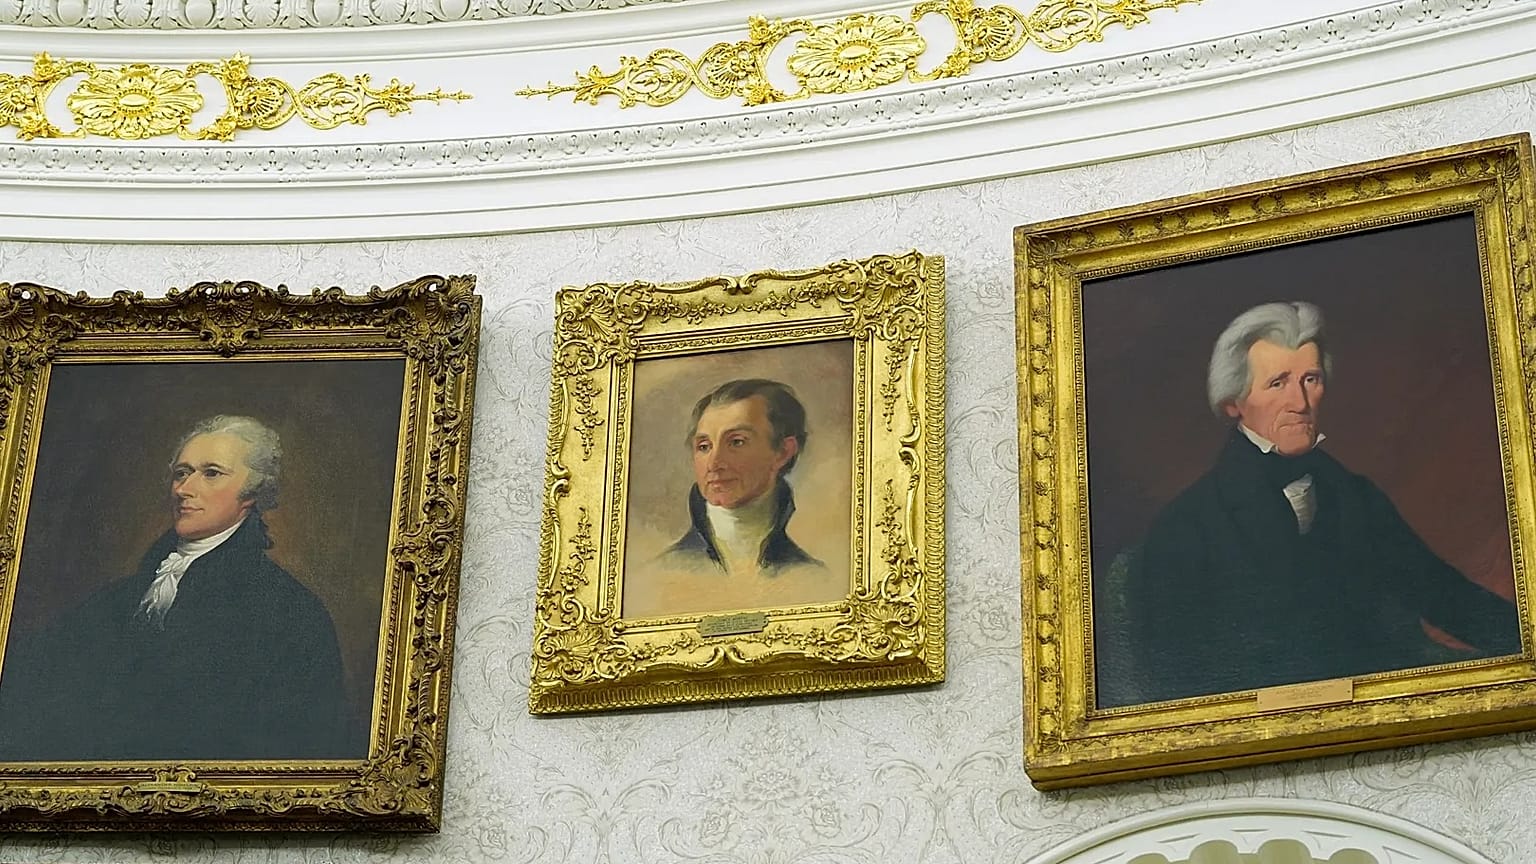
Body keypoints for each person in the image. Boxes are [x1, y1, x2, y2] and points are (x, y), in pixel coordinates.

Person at [1113, 302, 1523, 706]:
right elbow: (1176, 679)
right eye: (1278, 383)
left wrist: (1526, 640)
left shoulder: (1355, 497)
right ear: (1233, 402)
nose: (1300, 402)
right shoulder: (1187, 526)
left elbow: (1441, 592)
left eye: (1310, 379)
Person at [0, 415, 360, 761]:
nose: (184, 489)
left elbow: (298, 745)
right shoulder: (120, 598)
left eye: (211, 473)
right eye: (181, 473)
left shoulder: (289, 611)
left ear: (251, 493)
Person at [624, 379, 839, 618]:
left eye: (736, 442)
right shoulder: (654, 577)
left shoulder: (816, 580)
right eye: (704, 446)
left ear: (782, 452)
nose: (714, 463)